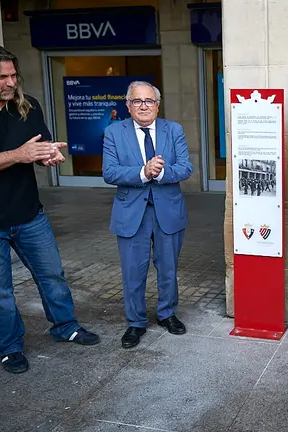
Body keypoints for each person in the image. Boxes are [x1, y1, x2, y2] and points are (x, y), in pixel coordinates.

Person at [0, 44, 100, 374]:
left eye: (13, 75)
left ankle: (65, 326)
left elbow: (40, 148)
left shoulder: (27, 106)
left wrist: (49, 155)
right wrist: (18, 155)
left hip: (28, 214)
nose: (11, 83)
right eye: (2, 77)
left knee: (52, 275)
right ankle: (10, 347)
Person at [102, 81, 193, 349]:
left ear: (157, 105)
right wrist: (143, 172)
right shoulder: (113, 132)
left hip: (168, 210)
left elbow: (186, 167)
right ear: (128, 106)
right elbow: (110, 172)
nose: (144, 106)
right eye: (137, 101)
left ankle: (167, 314)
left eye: (149, 101)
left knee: (168, 268)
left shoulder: (173, 129)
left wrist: (161, 172)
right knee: (133, 271)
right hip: (131, 213)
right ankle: (135, 322)